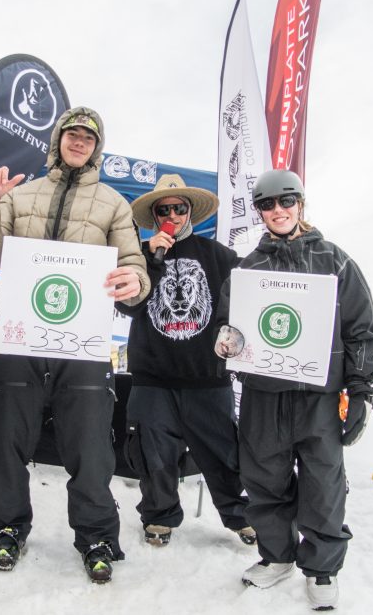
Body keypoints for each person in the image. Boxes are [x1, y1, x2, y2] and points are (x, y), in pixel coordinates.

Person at [0, 106, 150, 583]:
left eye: (89, 136)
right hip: (19, 339)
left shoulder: (113, 203)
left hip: (83, 344)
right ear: (58, 140)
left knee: (91, 448)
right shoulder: (20, 194)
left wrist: (135, 280)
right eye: (72, 133)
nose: (79, 141)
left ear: (97, 147)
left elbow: (134, 263)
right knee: (3, 441)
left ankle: (97, 536)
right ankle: (6, 527)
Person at [213, 170, 373, 611]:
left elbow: (362, 329)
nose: (278, 210)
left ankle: (322, 567)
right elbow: (227, 323)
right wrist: (224, 339)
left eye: (286, 201)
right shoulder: (249, 268)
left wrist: (360, 392)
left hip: (317, 396)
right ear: (260, 212)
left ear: (300, 204)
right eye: (267, 204)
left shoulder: (334, 261)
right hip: (264, 394)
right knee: (264, 478)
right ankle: (277, 555)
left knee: (323, 483)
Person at [115, 174, 255, 548]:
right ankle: (159, 517)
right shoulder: (138, 258)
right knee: (153, 454)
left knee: (225, 454)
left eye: (179, 208)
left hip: (207, 376)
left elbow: (253, 289)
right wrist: (150, 259)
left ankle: (241, 516)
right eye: (164, 210)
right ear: (155, 216)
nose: (172, 216)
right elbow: (127, 306)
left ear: (190, 211)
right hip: (152, 378)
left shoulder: (218, 255)